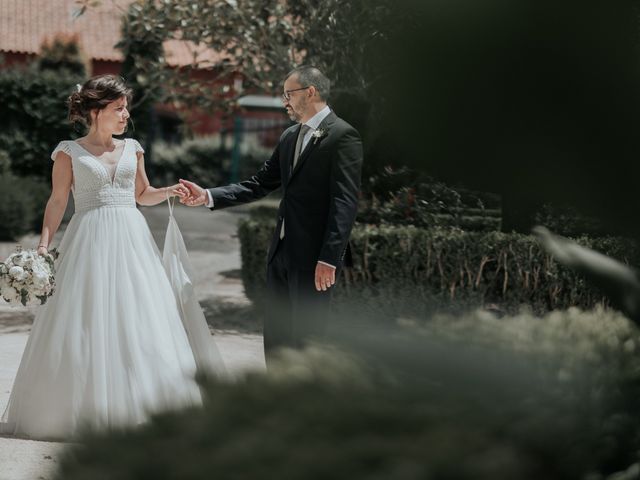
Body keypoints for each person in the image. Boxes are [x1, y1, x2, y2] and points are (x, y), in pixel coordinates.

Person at [0, 75, 224, 440]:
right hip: (87, 239)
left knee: (139, 318)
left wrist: (170, 191)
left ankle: (144, 409)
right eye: (118, 108)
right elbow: (58, 201)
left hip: (131, 240)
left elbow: (143, 194)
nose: (125, 115)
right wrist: (43, 246)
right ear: (95, 110)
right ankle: (78, 409)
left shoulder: (133, 147)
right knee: (84, 320)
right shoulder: (68, 152)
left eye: (126, 108)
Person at [180, 66, 363, 363]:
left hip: (314, 259)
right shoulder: (290, 136)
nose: (285, 102)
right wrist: (208, 196)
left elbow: (344, 202)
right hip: (280, 254)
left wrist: (329, 258)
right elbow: (258, 185)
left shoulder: (343, 136)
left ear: (311, 92)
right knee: (276, 341)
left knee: (307, 340)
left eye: (289, 94)